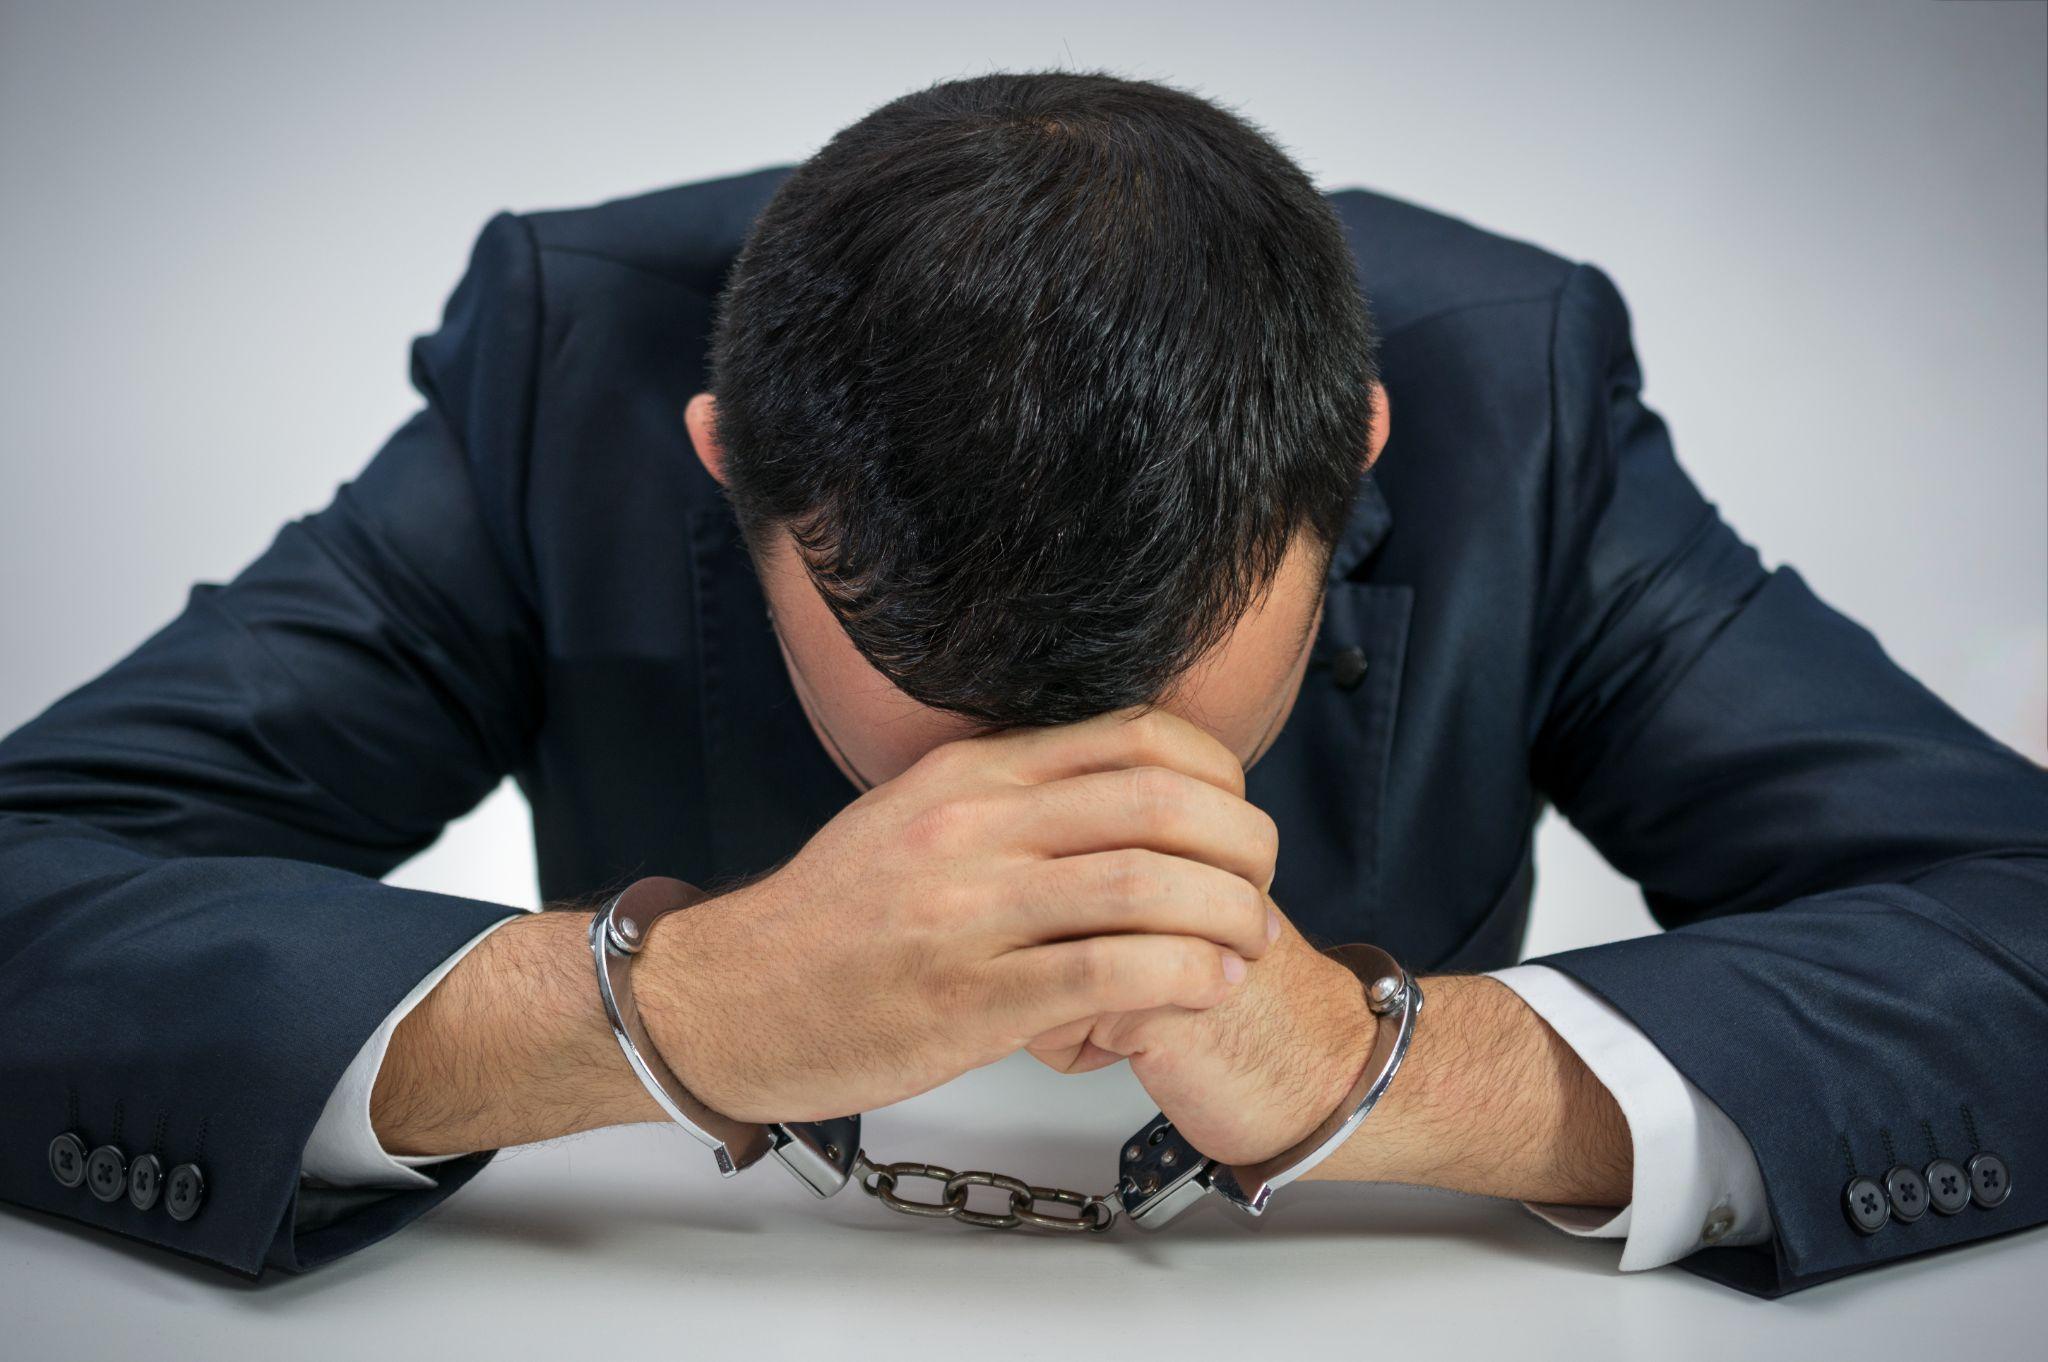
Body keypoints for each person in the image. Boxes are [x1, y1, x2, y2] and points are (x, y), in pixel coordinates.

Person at [2, 70, 2041, 1298]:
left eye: (1156, 700)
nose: (1030, 832)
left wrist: (1383, 1073)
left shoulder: (1528, 391)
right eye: (945, 712)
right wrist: (659, 1011)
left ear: (1360, 456)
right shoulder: (570, 368)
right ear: (723, 464)